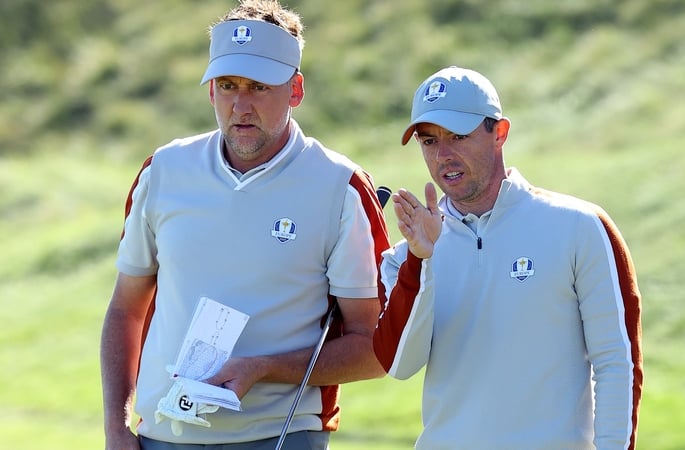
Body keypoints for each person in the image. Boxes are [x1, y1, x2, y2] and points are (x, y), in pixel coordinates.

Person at [100, 1, 391, 449]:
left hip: (280, 435)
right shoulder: (164, 170)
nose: (240, 105)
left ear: (295, 90)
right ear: (210, 90)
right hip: (161, 435)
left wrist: (265, 367)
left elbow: (374, 347)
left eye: (259, 87)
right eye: (228, 85)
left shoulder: (341, 188)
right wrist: (117, 428)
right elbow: (126, 308)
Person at [372, 66, 643, 450]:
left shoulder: (579, 226)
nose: (444, 155)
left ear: (499, 133)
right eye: (429, 141)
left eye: (458, 136)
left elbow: (616, 361)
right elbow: (398, 364)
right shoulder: (406, 258)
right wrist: (421, 261)